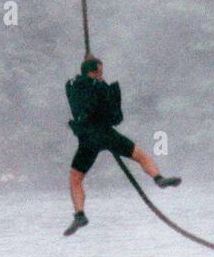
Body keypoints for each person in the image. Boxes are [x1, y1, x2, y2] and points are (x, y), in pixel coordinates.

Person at [63, 55, 181, 236]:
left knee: (75, 179)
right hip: (106, 134)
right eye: (100, 72)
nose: (102, 76)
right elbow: (113, 114)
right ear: (94, 72)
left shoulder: (71, 86)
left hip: (87, 139)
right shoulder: (99, 86)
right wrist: (101, 83)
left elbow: (81, 87)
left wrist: (88, 71)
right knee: (140, 155)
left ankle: (79, 214)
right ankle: (158, 178)